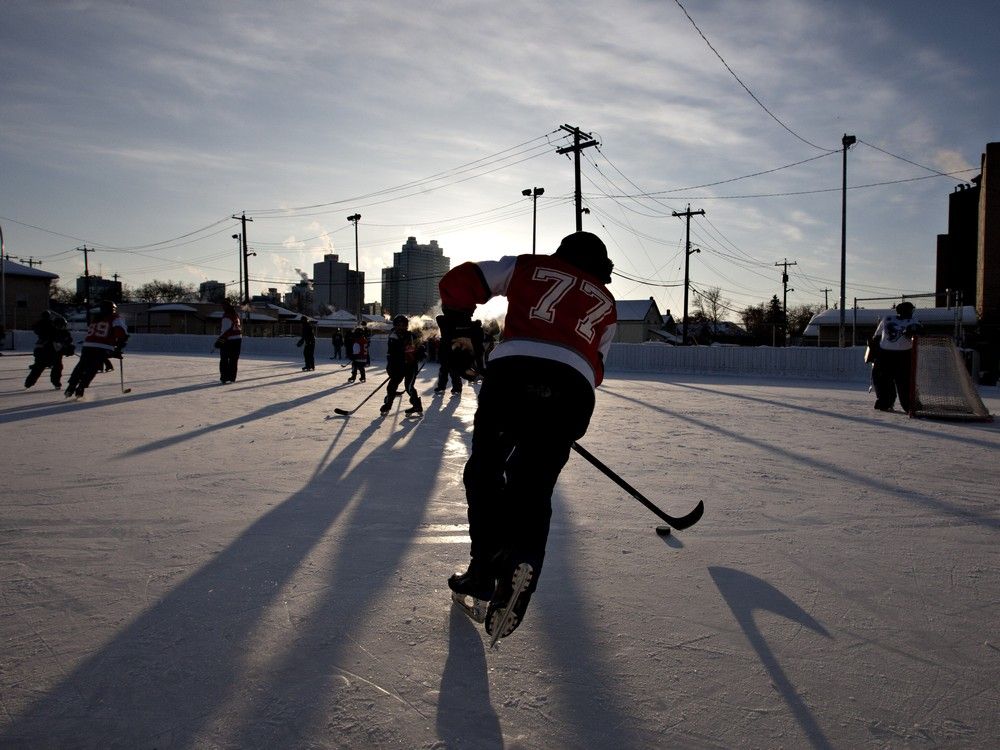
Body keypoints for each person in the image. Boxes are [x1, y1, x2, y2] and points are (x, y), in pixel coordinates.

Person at [440, 231, 617, 642]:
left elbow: (458, 280)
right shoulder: (607, 304)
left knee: (485, 471)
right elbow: (598, 370)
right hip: (572, 392)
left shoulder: (527, 266)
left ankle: (483, 571)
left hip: (513, 376)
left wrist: (460, 330)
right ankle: (524, 563)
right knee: (533, 484)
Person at [64, 300, 128, 398]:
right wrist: (118, 349)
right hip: (103, 347)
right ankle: (81, 387)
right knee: (92, 369)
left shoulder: (96, 318)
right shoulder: (115, 318)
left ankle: (71, 386)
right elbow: (121, 334)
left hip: (88, 346)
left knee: (81, 366)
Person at [870, 301, 921, 412]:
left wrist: (915, 331)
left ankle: (899, 403)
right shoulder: (890, 319)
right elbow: (877, 337)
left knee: (896, 382)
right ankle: (891, 402)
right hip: (894, 355)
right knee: (894, 382)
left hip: (894, 355)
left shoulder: (889, 318)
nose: (911, 312)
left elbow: (876, 337)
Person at [380, 314, 426, 415]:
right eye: (398, 325)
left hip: (410, 366)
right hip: (398, 367)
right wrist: (391, 368)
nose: (401, 327)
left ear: (406, 325)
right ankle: (388, 405)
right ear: (395, 325)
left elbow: (420, 346)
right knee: (392, 386)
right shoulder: (393, 337)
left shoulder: (411, 336)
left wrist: (421, 351)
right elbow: (391, 355)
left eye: (403, 325)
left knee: (409, 386)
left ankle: (417, 406)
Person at [25, 311, 74, 390]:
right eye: (59, 325)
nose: (60, 327)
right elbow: (55, 345)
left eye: (61, 325)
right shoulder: (51, 332)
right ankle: (29, 382)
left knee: (55, 367)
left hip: (51, 354)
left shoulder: (64, 333)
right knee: (41, 368)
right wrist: (67, 349)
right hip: (46, 354)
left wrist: (69, 349)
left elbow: (67, 343)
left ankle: (55, 382)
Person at [433, 314, 466, 395]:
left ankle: (457, 389)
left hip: (454, 349)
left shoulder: (456, 322)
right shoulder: (444, 321)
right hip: (445, 349)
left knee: (453, 371)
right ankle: (441, 387)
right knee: (443, 370)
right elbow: (438, 317)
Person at [216, 300, 242, 384]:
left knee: (224, 359)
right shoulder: (236, 315)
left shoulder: (227, 316)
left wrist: (219, 341)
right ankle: (232, 377)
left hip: (229, 340)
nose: (222, 307)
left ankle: (224, 377)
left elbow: (225, 331)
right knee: (234, 360)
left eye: (223, 306)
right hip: (238, 339)